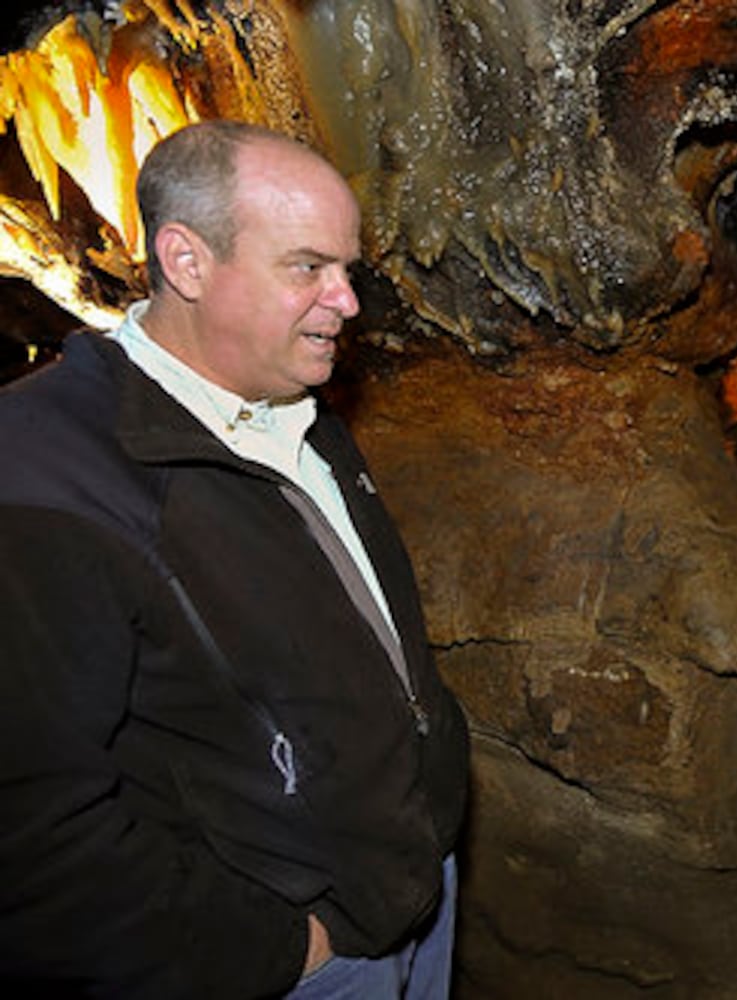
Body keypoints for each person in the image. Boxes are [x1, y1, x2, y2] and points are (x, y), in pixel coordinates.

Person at [0, 120, 470, 998]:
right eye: (307, 267)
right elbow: (32, 839)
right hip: (290, 962)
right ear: (186, 261)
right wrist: (279, 951)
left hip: (415, 894)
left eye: (349, 270)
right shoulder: (42, 483)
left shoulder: (297, 410)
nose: (348, 302)